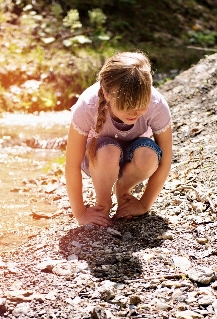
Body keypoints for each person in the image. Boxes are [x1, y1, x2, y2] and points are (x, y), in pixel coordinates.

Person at [65, 51, 172, 227]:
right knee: (109, 151)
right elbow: (72, 164)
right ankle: (103, 203)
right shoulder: (87, 106)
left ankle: (123, 189)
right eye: (127, 107)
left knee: (149, 155)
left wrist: (144, 204)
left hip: (134, 158)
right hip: (98, 160)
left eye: (141, 106)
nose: (134, 113)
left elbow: (165, 161)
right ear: (107, 95)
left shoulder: (157, 104)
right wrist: (81, 213)